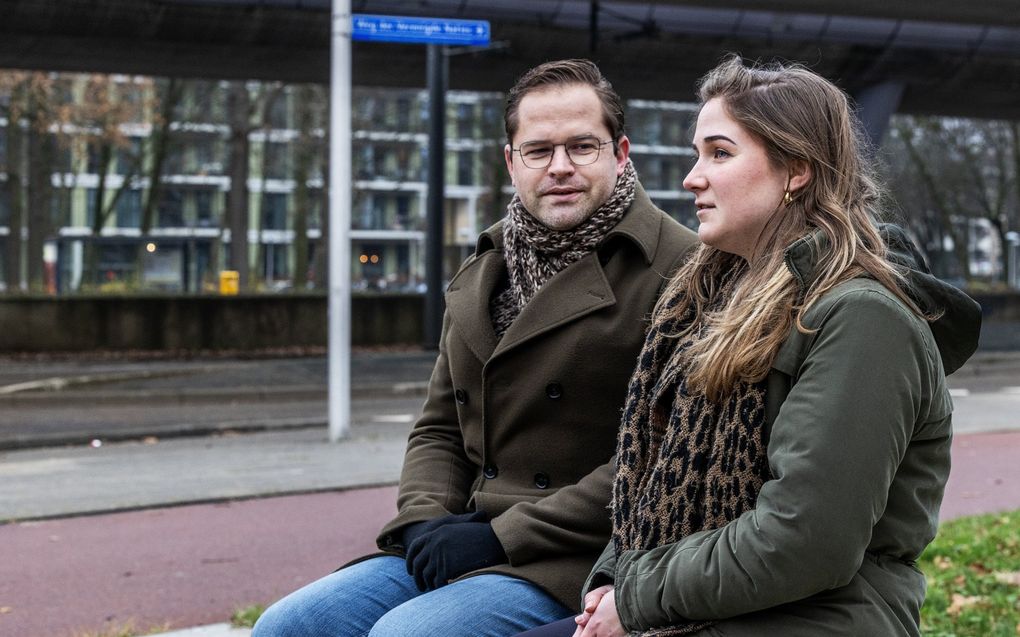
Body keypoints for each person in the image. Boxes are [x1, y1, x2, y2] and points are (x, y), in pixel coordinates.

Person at [514, 56, 981, 637]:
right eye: (696, 153)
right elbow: (651, 481)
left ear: (795, 171)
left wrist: (635, 596)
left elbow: (809, 542)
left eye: (719, 153)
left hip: (816, 619)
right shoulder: (707, 305)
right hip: (712, 608)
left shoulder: (862, 319)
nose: (692, 177)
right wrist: (613, 580)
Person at [252, 59, 698, 637]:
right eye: (538, 151)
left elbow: (664, 453)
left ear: (620, 152)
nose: (560, 167)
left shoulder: (679, 269)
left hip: (579, 553)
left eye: (582, 147)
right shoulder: (485, 269)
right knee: (288, 626)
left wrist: (498, 536)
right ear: (511, 162)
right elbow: (439, 427)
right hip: (465, 534)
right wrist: (421, 521)